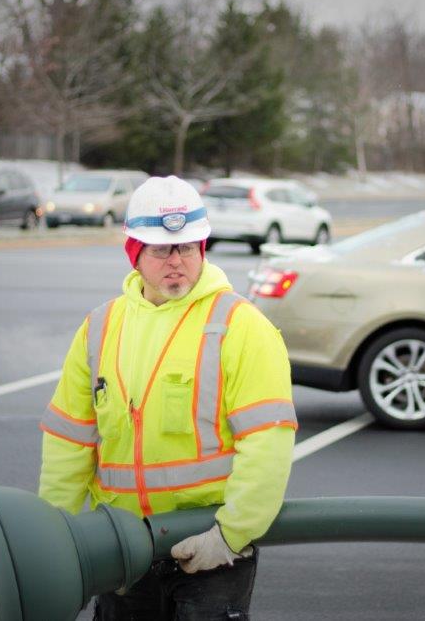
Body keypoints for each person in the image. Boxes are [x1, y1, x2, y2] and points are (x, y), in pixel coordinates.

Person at [38, 175, 297, 620]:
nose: (176, 260)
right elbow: (69, 444)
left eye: (188, 247)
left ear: (203, 249)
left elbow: (267, 445)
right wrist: (50, 542)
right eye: (161, 249)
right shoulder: (100, 329)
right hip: (122, 549)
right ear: (135, 253)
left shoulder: (241, 326)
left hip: (212, 550)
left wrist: (231, 536)